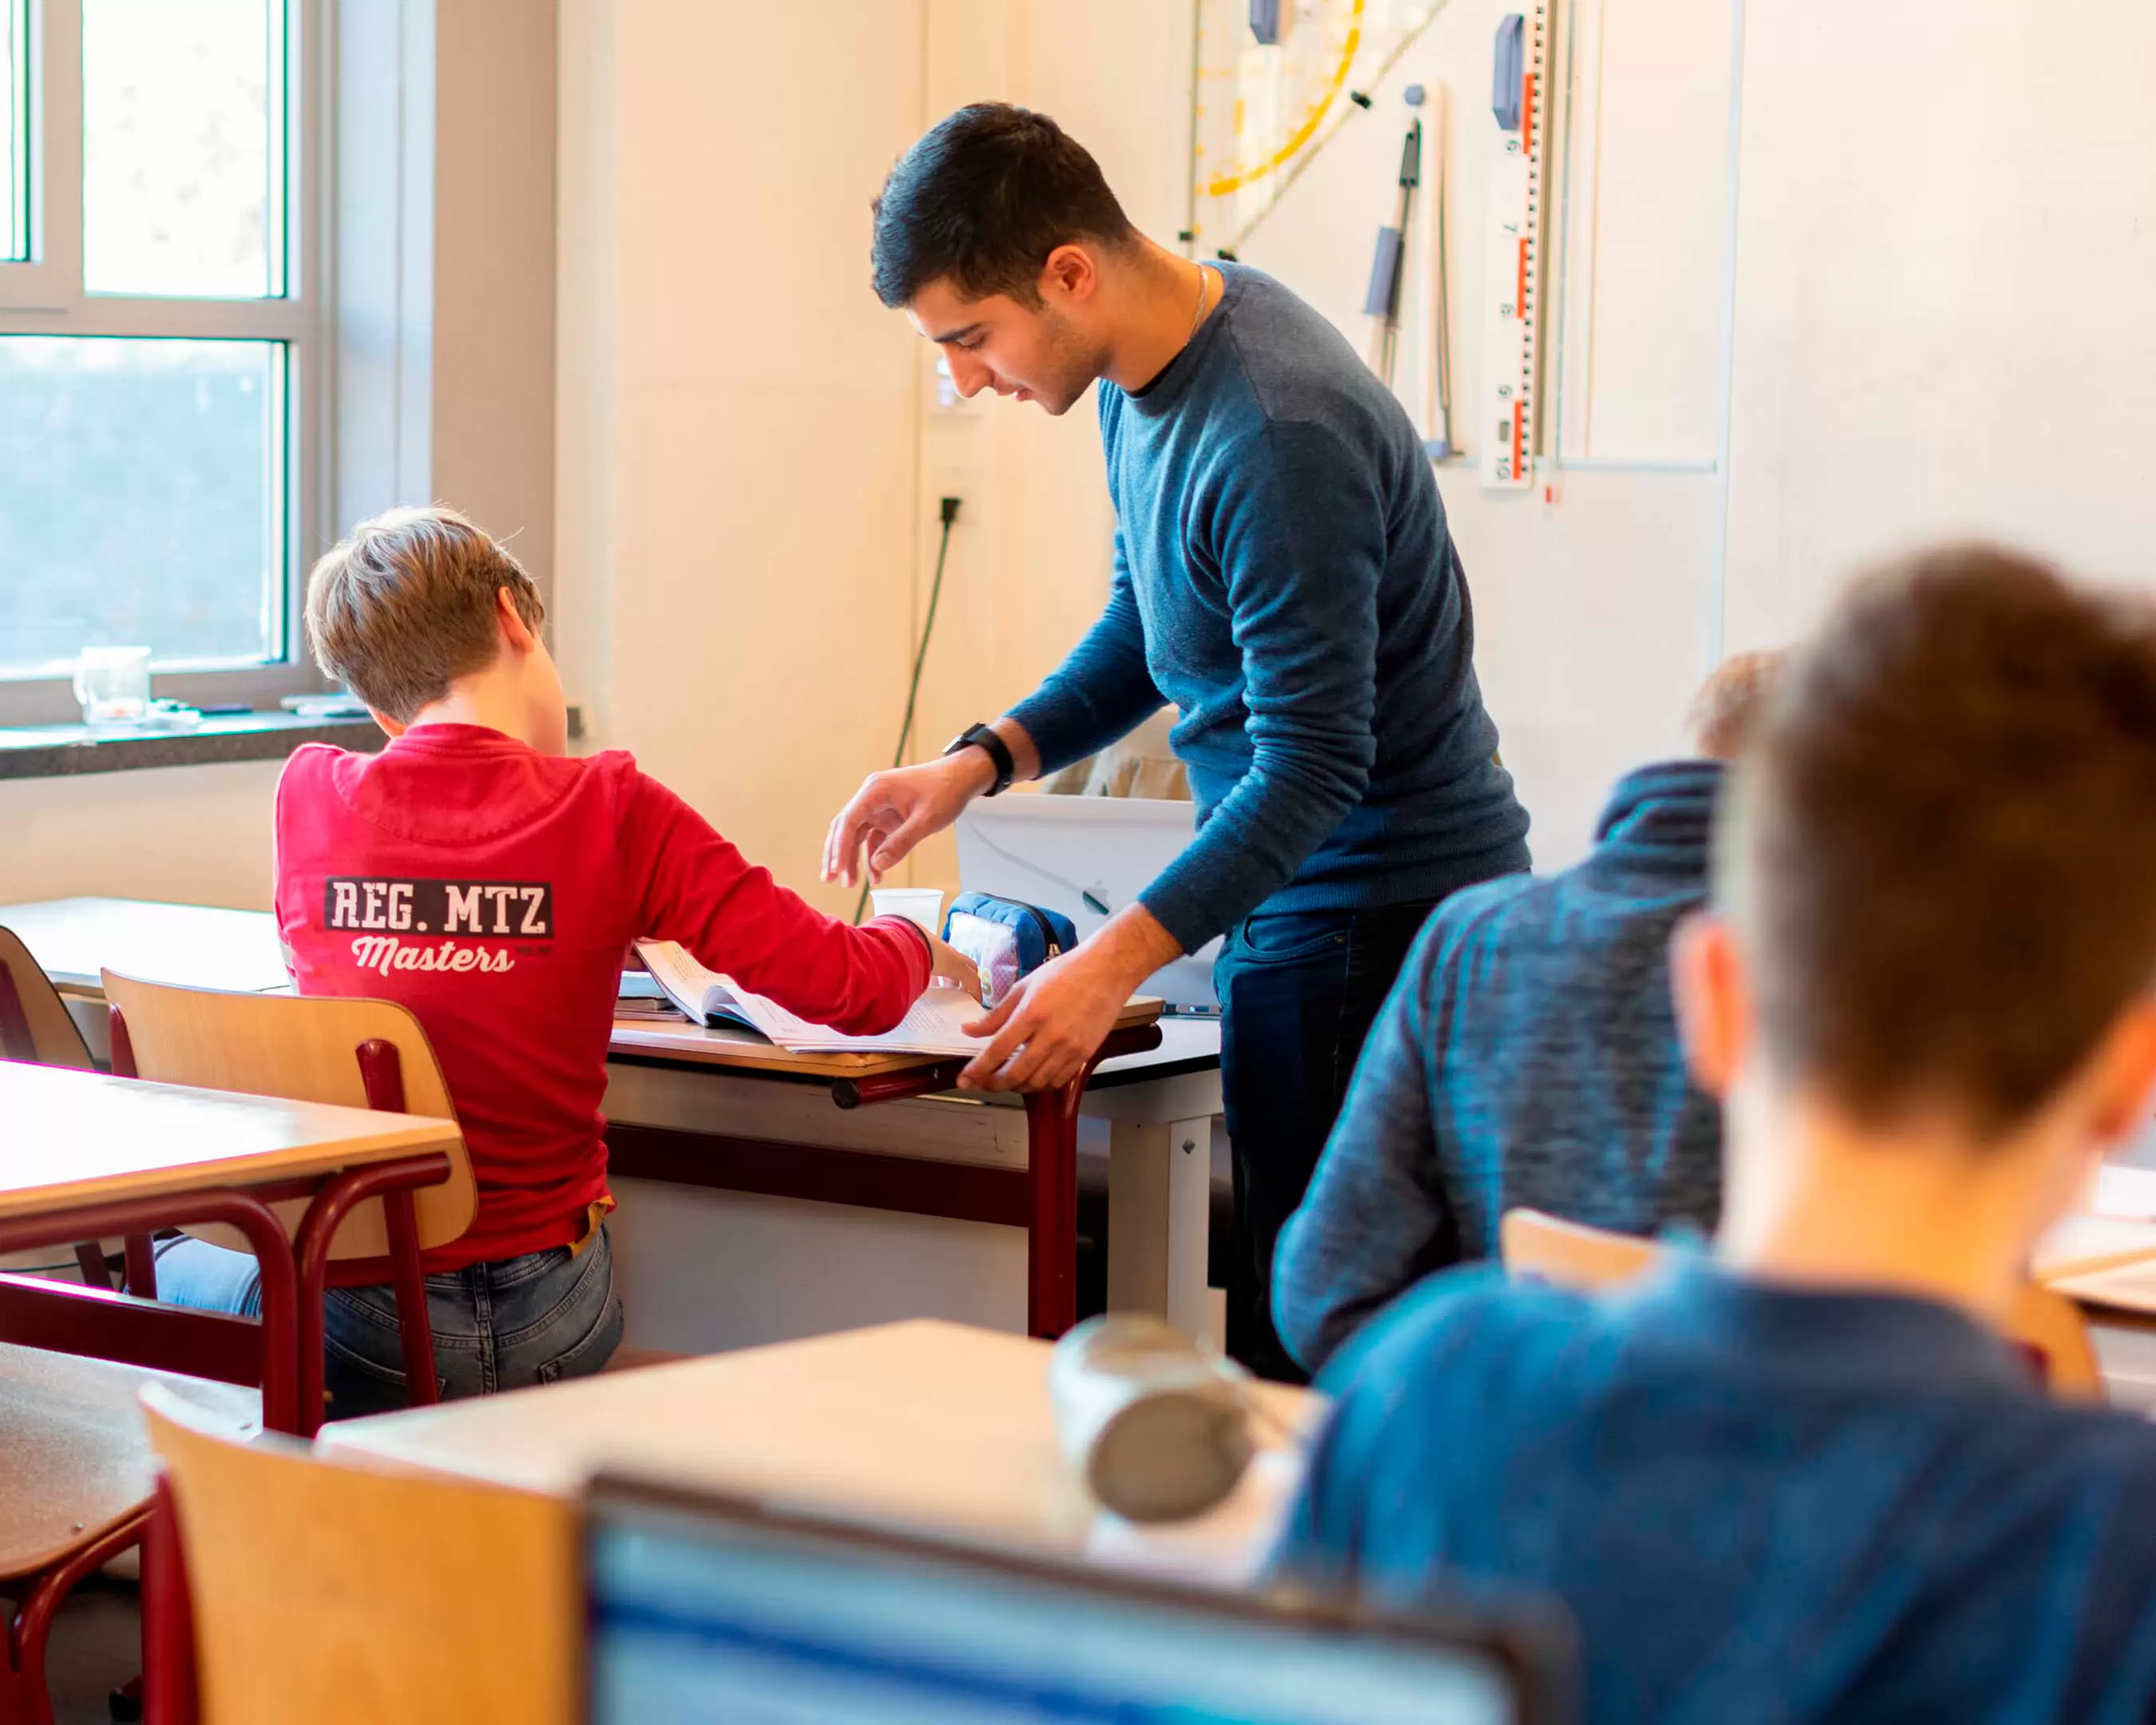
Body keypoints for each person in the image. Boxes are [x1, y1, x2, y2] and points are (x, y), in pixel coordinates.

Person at [1272, 545, 2156, 1723]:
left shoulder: (1428, 1400)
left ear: (1718, 999)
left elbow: (1323, 1286)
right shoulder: (2113, 1559)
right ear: (2129, 1079)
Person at [822, 104, 1530, 1380]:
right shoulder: (1140, 378)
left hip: (1378, 925)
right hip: (1306, 909)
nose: (968, 380)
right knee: (1293, 1335)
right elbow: (1150, 626)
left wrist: (1113, 963)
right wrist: (976, 763)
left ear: (1068, 274)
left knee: (1327, 1360)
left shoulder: (1276, 432)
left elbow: (1313, 766)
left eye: (971, 339)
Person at [156, 507, 977, 1418]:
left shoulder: (310, 794)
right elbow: (846, 987)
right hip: (554, 1322)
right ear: (514, 619)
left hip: (358, 1327)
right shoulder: (615, 809)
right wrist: (919, 944)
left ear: (385, 713)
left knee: (159, 1256)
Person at [1274, 651, 1781, 1374]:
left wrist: (1492, 1403)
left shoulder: (1473, 938)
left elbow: (1324, 1290)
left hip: (1506, 1427)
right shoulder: (1854, 973)